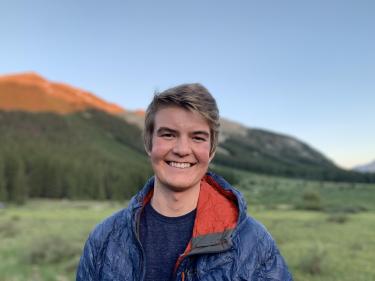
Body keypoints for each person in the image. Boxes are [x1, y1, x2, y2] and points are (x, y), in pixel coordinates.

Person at [76, 84, 293, 281]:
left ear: (212, 150)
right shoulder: (104, 239)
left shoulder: (253, 243)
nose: (181, 150)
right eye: (169, 135)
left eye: (197, 137)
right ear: (148, 143)